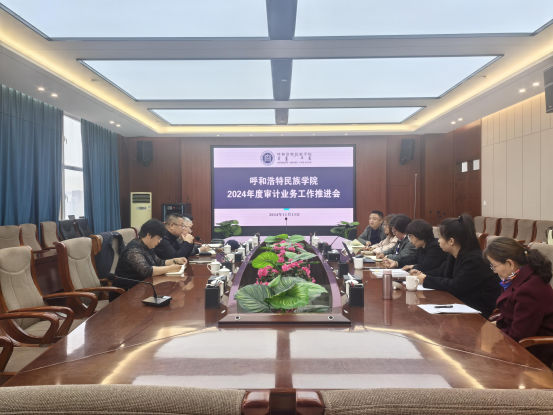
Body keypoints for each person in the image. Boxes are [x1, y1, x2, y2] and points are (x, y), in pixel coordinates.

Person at [413, 214, 500, 319]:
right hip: (461, 303)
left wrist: (425, 279)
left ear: (451, 241)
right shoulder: (455, 255)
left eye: (440, 237)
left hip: (479, 309)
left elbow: (456, 285)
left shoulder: (474, 259)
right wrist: (419, 274)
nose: (438, 240)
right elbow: (440, 271)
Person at [484, 237, 553, 366]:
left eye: (494, 266)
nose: (494, 271)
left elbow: (519, 335)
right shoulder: (518, 278)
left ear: (510, 263)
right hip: (516, 342)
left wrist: (496, 337)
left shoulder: (528, 290)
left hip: (532, 352)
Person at [112, 219, 187, 299]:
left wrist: (175, 260)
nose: (159, 242)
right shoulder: (133, 250)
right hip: (125, 294)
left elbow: (158, 262)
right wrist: (170, 269)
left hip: (142, 289)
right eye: (158, 238)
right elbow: (147, 271)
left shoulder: (146, 246)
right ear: (149, 235)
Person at [384, 219, 448, 271]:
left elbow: (425, 267)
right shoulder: (422, 246)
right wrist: (396, 263)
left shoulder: (435, 247)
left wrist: (413, 266)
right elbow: (413, 260)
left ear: (419, 234)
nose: (410, 240)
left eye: (411, 236)